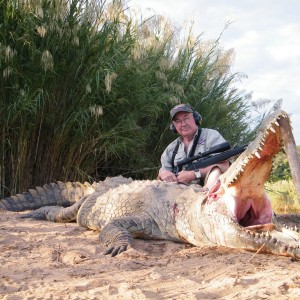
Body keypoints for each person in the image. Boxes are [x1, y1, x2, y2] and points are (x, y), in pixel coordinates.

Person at [158, 103, 230, 189]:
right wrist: (163, 173)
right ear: (173, 126)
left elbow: (225, 166)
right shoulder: (171, 148)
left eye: (186, 118)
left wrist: (194, 174)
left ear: (196, 118)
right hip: (178, 192)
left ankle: (206, 198)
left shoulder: (211, 136)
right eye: (178, 121)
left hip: (205, 190)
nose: (183, 124)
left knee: (216, 170)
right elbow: (162, 172)